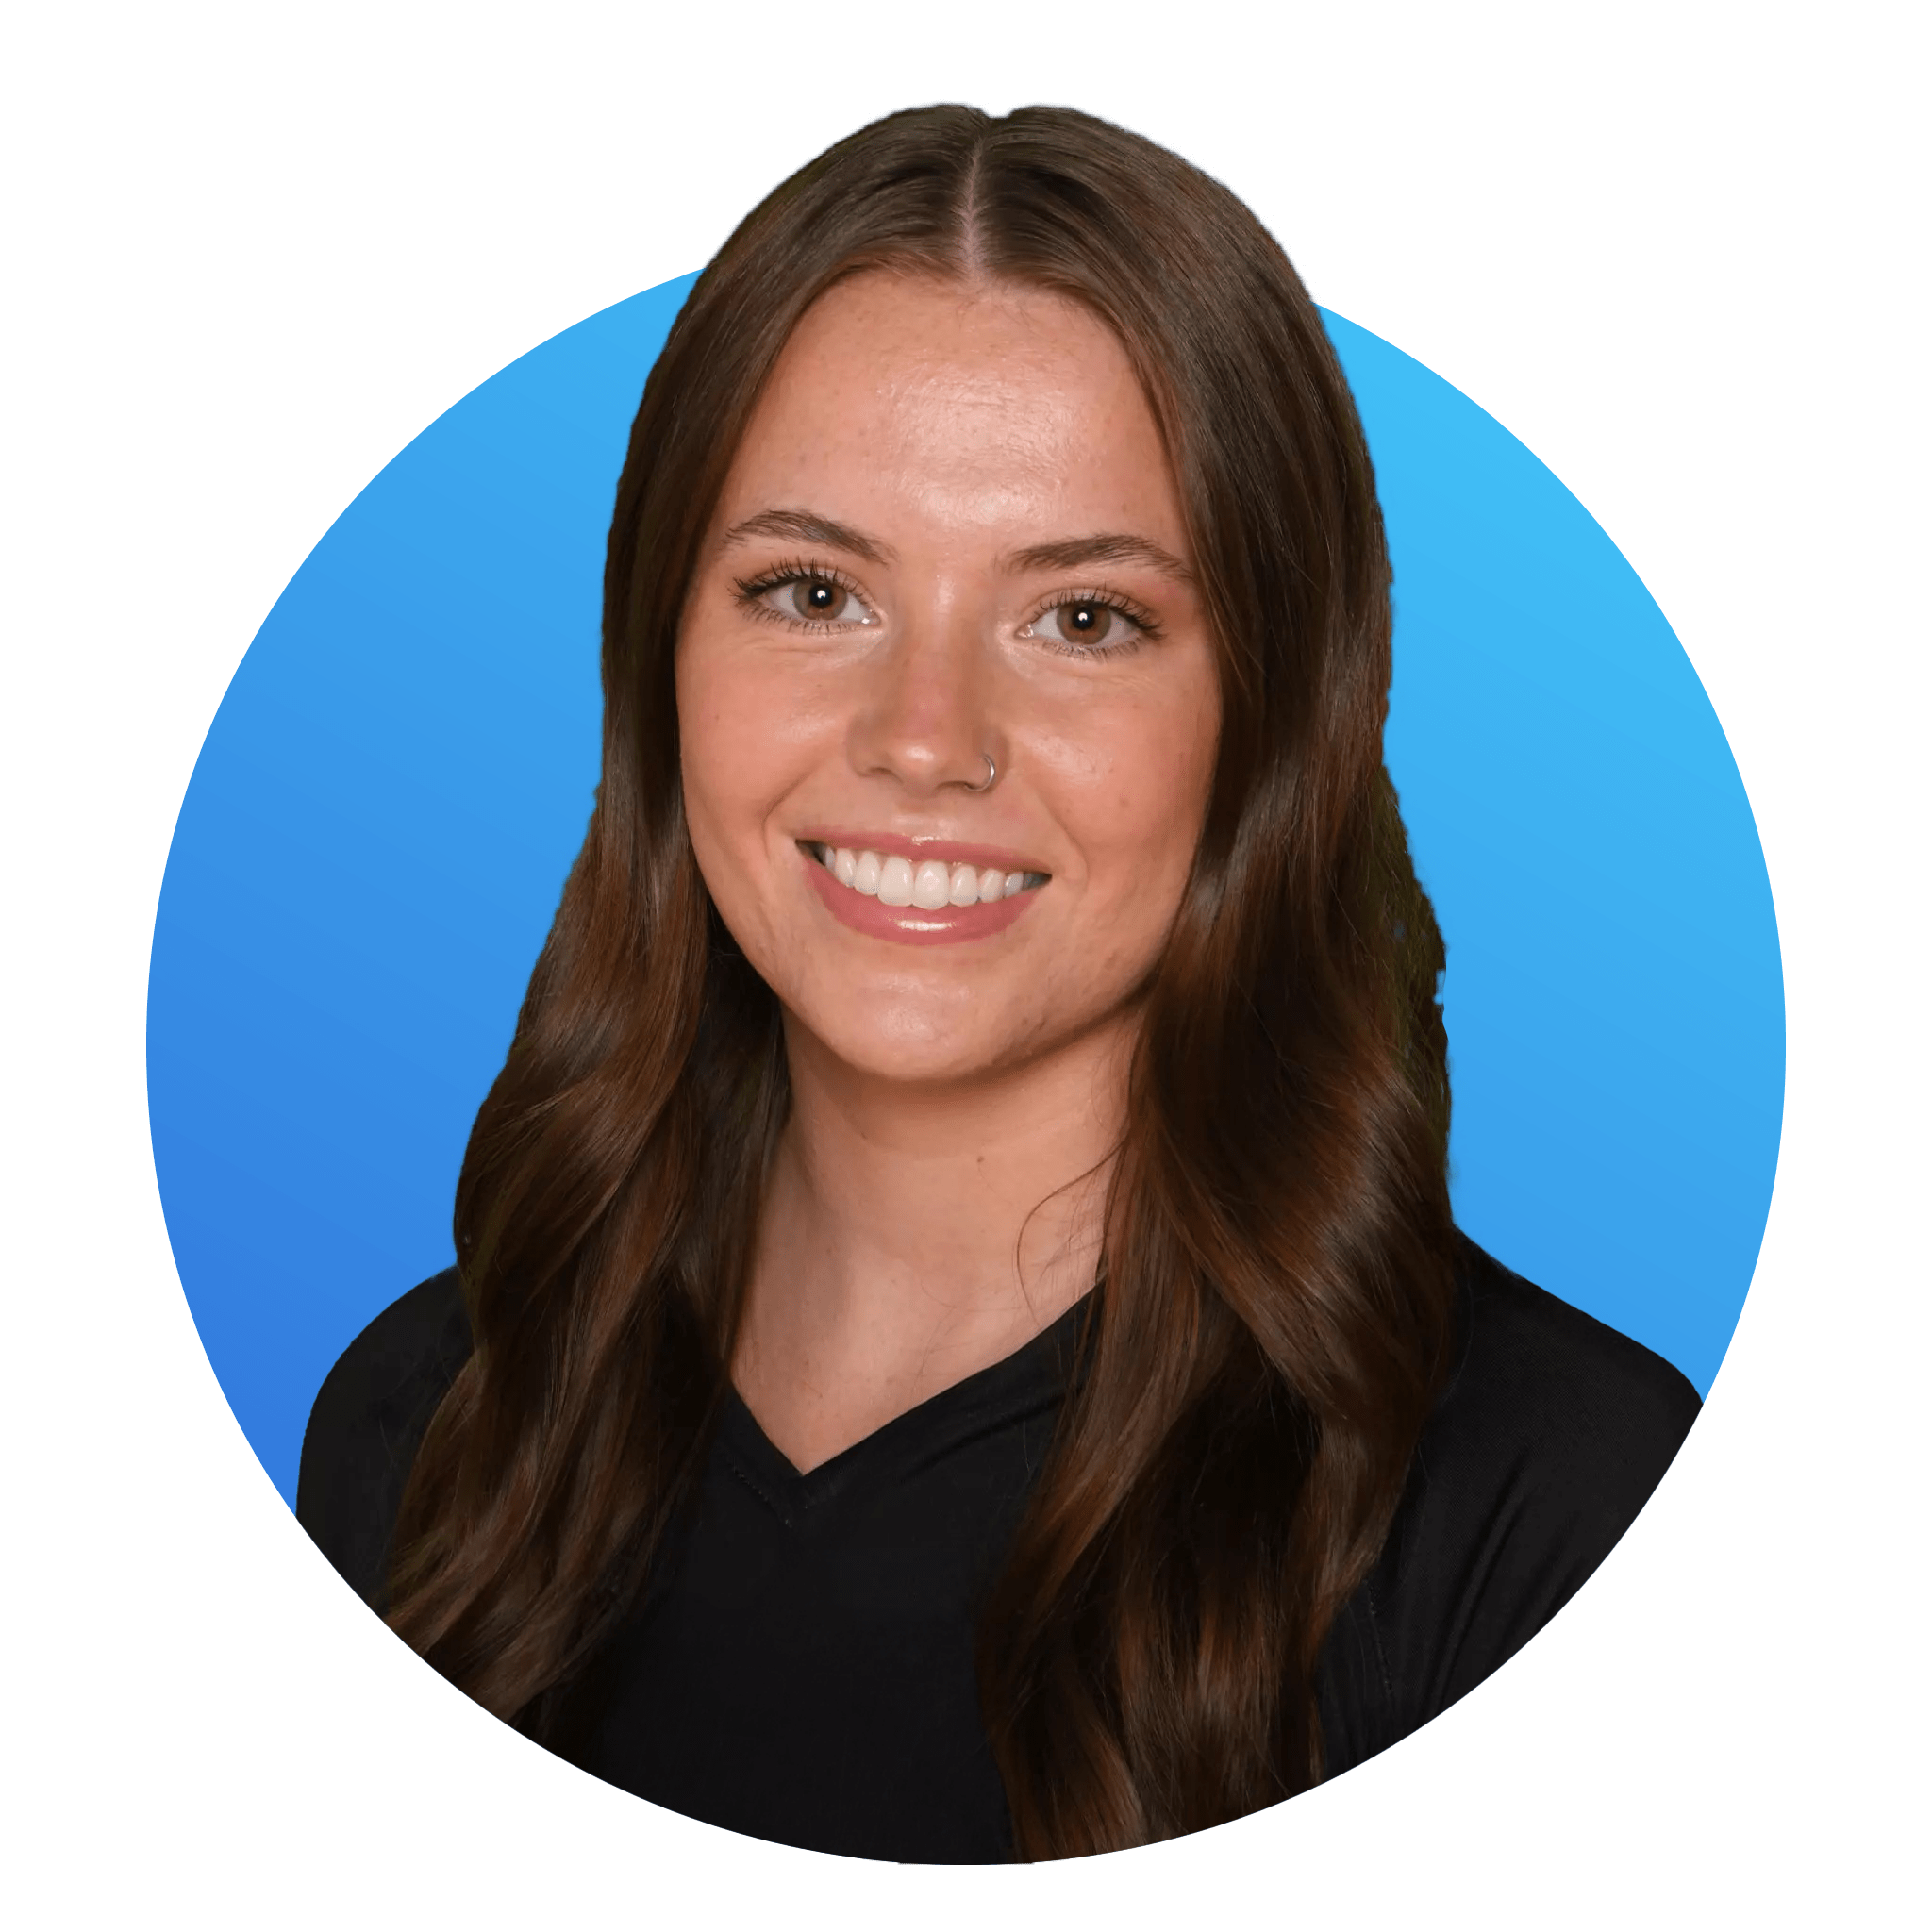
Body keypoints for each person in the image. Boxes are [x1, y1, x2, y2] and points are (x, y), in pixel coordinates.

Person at [297, 101, 1701, 1864]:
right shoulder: (425, 1423)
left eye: (1085, 618)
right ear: (657, 660)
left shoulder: (1552, 1510)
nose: (925, 740)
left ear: (1273, 722)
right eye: (813, 591)